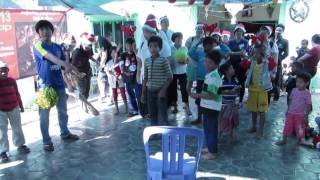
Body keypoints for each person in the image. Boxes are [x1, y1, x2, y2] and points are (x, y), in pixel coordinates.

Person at [33, 20, 79, 152]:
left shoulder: (58, 47)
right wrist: (66, 65)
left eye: (48, 28)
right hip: (45, 87)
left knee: (63, 112)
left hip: (59, 85)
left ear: (52, 31)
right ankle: (46, 141)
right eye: (42, 29)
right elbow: (51, 58)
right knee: (44, 116)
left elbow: (64, 66)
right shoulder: (38, 46)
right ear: (38, 33)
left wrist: (75, 72)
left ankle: (65, 133)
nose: (45, 31)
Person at [190, 50, 222, 160]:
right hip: (207, 106)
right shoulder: (210, 75)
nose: (207, 64)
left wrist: (197, 95)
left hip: (211, 107)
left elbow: (212, 95)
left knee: (211, 129)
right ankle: (210, 147)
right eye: (206, 62)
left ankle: (212, 152)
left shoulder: (214, 77)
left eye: (210, 63)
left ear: (216, 64)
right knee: (207, 128)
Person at [137, 14, 171, 118]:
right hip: (147, 82)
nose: (144, 33)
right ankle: (153, 126)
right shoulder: (143, 44)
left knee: (162, 110)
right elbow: (139, 60)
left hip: (160, 83)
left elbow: (167, 63)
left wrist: (164, 88)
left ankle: (163, 128)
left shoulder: (163, 44)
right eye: (143, 31)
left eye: (146, 31)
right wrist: (138, 74)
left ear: (152, 31)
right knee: (152, 110)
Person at [0, 61, 30, 163]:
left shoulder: (12, 81)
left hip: (14, 107)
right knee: (1, 132)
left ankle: (20, 145)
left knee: (17, 127)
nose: (3, 73)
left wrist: (21, 105)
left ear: (8, 71)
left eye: (5, 71)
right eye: (1, 71)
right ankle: (3, 152)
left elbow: (17, 93)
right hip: (1, 110)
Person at [141, 36, 173, 126]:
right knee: (152, 114)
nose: (152, 48)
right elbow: (145, 78)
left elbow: (170, 77)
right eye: (150, 46)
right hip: (150, 92)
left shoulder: (164, 60)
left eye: (155, 46)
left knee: (163, 114)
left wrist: (163, 91)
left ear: (160, 48)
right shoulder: (147, 61)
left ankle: (166, 134)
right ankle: (155, 133)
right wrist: (143, 94)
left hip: (161, 92)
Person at [276, 72, 312, 145]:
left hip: (300, 115)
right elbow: (290, 101)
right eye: (297, 82)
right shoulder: (294, 90)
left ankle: (301, 140)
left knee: (300, 128)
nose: (298, 84)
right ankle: (284, 140)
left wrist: (306, 115)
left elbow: (308, 105)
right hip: (291, 113)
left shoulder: (307, 93)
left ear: (306, 83)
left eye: (301, 82)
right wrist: (288, 110)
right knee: (287, 126)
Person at [245, 43, 273, 139]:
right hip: (253, 90)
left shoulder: (266, 63)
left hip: (262, 91)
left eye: (258, 53)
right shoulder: (253, 62)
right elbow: (250, 73)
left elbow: (270, 62)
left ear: (263, 54)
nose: (255, 55)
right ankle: (253, 127)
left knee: (262, 112)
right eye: (254, 52)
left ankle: (260, 131)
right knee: (253, 110)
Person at [187, 37, 217, 125]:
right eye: (205, 46)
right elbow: (190, 52)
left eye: (209, 46)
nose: (207, 48)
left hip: (211, 80)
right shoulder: (200, 53)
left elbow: (227, 51)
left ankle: (209, 119)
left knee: (210, 99)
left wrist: (219, 42)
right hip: (200, 79)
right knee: (199, 99)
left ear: (212, 46)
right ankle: (199, 118)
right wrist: (197, 43)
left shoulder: (215, 54)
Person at [71, 32, 99, 114]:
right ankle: (84, 108)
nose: (88, 48)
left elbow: (89, 56)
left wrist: (96, 61)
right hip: (78, 73)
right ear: (83, 43)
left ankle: (85, 106)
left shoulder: (88, 49)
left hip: (87, 71)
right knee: (82, 91)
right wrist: (79, 74)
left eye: (89, 46)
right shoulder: (77, 52)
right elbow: (72, 65)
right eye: (87, 46)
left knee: (87, 91)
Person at [167, 32, 191, 115]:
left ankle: (187, 106)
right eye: (178, 39)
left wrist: (185, 62)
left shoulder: (185, 48)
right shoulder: (170, 48)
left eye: (181, 38)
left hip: (183, 72)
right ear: (174, 40)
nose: (180, 40)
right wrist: (170, 63)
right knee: (173, 90)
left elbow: (188, 60)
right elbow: (167, 60)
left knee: (184, 89)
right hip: (173, 72)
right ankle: (175, 106)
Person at [218, 63, 240, 141]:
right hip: (224, 104)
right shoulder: (222, 80)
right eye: (231, 68)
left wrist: (237, 102)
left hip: (233, 104)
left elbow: (238, 91)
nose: (233, 69)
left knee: (234, 120)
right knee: (222, 119)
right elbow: (219, 92)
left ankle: (232, 134)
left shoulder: (235, 79)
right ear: (226, 71)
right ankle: (220, 133)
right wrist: (230, 92)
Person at [228, 24, 249, 103]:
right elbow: (228, 53)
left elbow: (244, 53)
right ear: (234, 33)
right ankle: (232, 98)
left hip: (241, 64)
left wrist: (233, 53)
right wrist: (238, 53)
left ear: (243, 33)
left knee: (241, 82)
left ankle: (240, 100)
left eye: (241, 32)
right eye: (237, 32)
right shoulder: (231, 42)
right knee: (232, 80)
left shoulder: (245, 42)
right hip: (232, 64)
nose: (239, 33)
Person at [121, 38, 141, 117]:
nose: (129, 47)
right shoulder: (124, 55)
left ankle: (142, 110)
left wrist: (135, 50)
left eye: (131, 46)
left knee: (139, 95)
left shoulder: (137, 53)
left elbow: (139, 60)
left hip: (136, 78)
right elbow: (118, 63)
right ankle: (134, 110)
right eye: (127, 45)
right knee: (130, 95)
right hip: (127, 79)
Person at [259, 26, 279, 103]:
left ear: (269, 34)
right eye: (262, 32)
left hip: (268, 70)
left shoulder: (272, 45)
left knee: (267, 89)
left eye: (265, 32)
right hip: (258, 69)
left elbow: (275, 59)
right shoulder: (257, 43)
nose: (263, 33)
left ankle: (265, 105)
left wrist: (273, 72)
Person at [106, 47, 128, 115]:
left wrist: (117, 73)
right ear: (110, 54)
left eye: (115, 52)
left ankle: (126, 108)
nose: (114, 54)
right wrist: (112, 73)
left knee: (123, 93)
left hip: (120, 79)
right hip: (113, 80)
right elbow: (107, 71)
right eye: (112, 53)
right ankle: (117, 109)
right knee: (115, 94)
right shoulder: (109, 63)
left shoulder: (121, 61)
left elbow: (121, 70)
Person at [274, 24, 289, 101]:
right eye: (277, 30)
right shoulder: (271, 39)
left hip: (278, 64)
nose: (278, 31)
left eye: (280, 30)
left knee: (277, 80)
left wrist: (279, 58)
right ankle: (267, 96)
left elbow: (286, 53)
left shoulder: (285, 41)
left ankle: (276, 98)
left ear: (283, 31)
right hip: (268, 63)